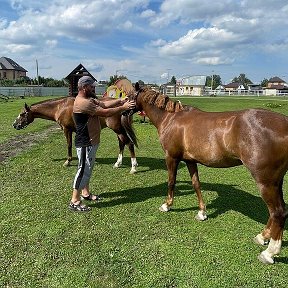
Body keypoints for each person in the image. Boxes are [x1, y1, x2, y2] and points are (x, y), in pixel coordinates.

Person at [69, 75, 136, 212]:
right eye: (92, 86)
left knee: (88, 169)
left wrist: (120, 100)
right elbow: (105, 112)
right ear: (84, 87)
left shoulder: (90, 99)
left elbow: (104, 104)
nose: (94, 87)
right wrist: (123, 107)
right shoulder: (83, 102)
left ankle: (85, 193)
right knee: (82, 170)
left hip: (92, 141)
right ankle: (74, 201)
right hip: (85, 143)